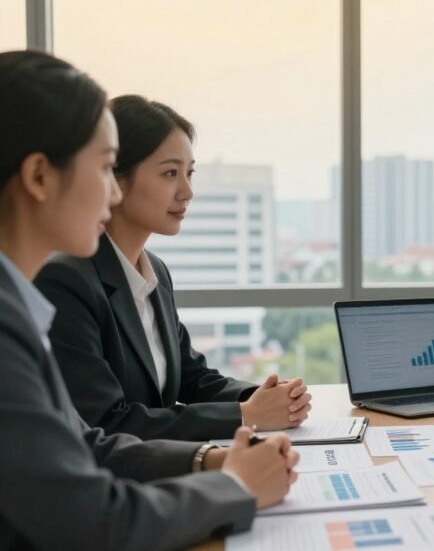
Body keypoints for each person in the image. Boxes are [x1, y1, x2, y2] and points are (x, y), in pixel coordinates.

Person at [0, 50, 298, 550]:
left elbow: (85, 443)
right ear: (39, 177)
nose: (112, 194)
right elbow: (96, 521)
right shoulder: (21, 316)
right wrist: (235, 486)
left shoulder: (19, 308)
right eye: (104, 168)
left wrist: (210, 459)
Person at [34, 95, 312, 441]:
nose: (187, 191)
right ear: (115, 178)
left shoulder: (156, 273)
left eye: (189, 173)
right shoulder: (67, 280)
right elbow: (105, 423)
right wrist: (245, 416)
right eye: (170, 173)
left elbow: (191, 377)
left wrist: (262, 396)